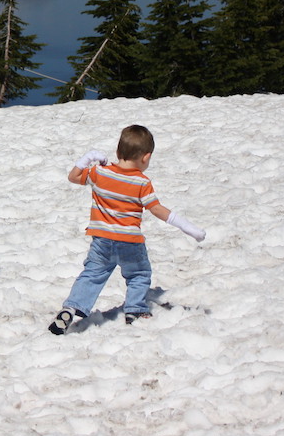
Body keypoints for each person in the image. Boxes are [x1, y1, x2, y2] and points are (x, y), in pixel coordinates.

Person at [48, 124, 205, 335]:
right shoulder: (142, 182)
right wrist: (188, 228)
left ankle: (71, 307)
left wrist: (88, 157)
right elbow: (156, 209)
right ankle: (135, 309)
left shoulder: (99, 172)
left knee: (92, 275)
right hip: (130, 241)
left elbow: (73, 177)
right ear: (146, 157)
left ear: (118, 151)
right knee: (139, 274)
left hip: (101, 240)